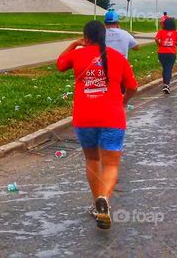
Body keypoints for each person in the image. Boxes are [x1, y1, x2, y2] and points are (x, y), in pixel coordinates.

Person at [57, 20, 137, 230]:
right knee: (110, 164)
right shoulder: (117, 57)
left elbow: (59, 63)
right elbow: (132, 87)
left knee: (92, 159)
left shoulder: (77, 55)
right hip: (112, 117)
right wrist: (123, 100)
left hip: (84, 118)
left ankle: (97, 204)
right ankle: (103, 199)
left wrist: (75, 44)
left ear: (86, 37)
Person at [154, 17, 177, 94]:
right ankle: (166, 85)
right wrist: (174, 43)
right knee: (168, 68)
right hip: (171, 53)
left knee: (164, 67)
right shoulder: (175, 33)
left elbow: (156, 39)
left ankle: (164, 82)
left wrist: (159, 44)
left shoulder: (161, 32)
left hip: (161, 52)